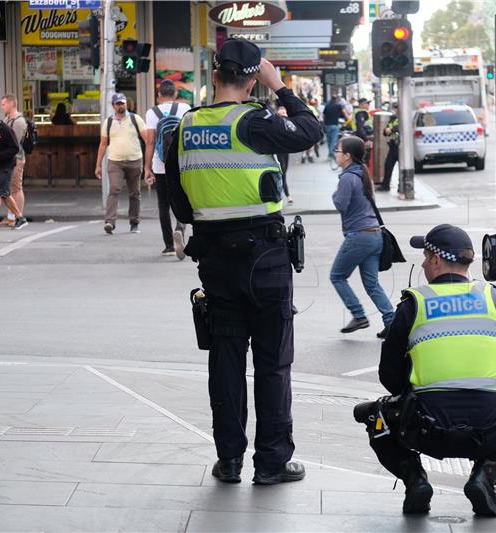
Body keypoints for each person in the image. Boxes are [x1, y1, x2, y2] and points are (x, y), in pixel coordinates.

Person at [165, 38, 322, 486]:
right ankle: (271, 462)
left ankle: (229, 459)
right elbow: (309, 132)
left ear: (214, 75)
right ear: (254, 80)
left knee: (226, 361)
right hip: (265, 258)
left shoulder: (184, 129)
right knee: (272, 363)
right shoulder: (256, 123)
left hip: (215, 259)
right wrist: (282, 87)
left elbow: (178, 202)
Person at [355, 224, 496, 516]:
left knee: (377, 418)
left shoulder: (413, 305)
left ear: (437, 260)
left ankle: (415, 481)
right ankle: (485, 475)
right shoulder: (492, 301)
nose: (425, 263)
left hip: (426, 430)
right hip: (489, 429)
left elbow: (390, 380)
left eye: (426, 257)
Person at [330, 135, 395, 338]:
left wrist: (335, 192)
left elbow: (340, 204)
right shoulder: (362, 172)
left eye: (338, 151)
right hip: (374, 235)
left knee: (337, 276)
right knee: (372, 283)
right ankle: (391, 322)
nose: (336, 154)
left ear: (347, 156)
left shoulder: (348, 177)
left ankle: (359, 315)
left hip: (359, 236)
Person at [144, 79, 191, 258]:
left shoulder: (152, 112)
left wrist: (147, 168)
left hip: (160, 164)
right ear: (176, 94)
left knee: (163, 204)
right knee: (182, 198)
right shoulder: (184, 109)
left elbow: (149, 141)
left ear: (159, 95)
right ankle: (180, 228)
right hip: (181, 164)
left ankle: (169, 246)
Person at [95, 92, 150, 235]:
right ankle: (110, 222)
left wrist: (149, 161)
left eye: (123, 103)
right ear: (113, 106)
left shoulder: (135, 119)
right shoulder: (108, 122)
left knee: (134, 193)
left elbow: (147, 140)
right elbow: (103, 144)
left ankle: (134, 222)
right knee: (114, 189)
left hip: (134, 160)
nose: (121, 106)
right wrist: (98, 165)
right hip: (115, 161)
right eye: (118, 103)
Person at [1, 94, 27, 228]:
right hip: (9, 158)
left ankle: (19, 216)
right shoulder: (7, 119)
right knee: (9, 188)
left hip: (17, 158)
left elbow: (14, 142)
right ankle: (11, 216)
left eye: (4, 104)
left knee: (16, 188)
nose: (2, 106)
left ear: (11, 104)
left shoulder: (18, 122)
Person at [377, 103, 399, 192]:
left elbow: (403, 127)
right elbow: (386, 130)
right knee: (388, 165)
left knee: (402, 167)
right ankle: (385, 185)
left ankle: (402, 186)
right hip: (393, 145)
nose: (396, 110)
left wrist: (392, 130)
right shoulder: (393, 118)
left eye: (397, 108)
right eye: (395, 108)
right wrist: (386, 131)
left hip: (402, 146)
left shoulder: (405, 116)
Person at [275, 104, 292, 204]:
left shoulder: (288, 125)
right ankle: (287, 195)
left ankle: (286, 195)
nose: (283, 116)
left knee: (284, 172)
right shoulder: (275, 126)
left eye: (284, 114)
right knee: (282, 173)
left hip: (285, 152)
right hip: (278, 152)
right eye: (281, 114)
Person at [323, 94, 347, 160]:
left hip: (327, 125)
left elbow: (324, 115)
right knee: (333, 141)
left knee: (329, 140)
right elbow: (343, 114)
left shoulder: (327, 106)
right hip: (335, 125)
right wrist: (345, 118)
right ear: (336, 99)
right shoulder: (338, 106)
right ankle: (331, 153)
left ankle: (330, 155)